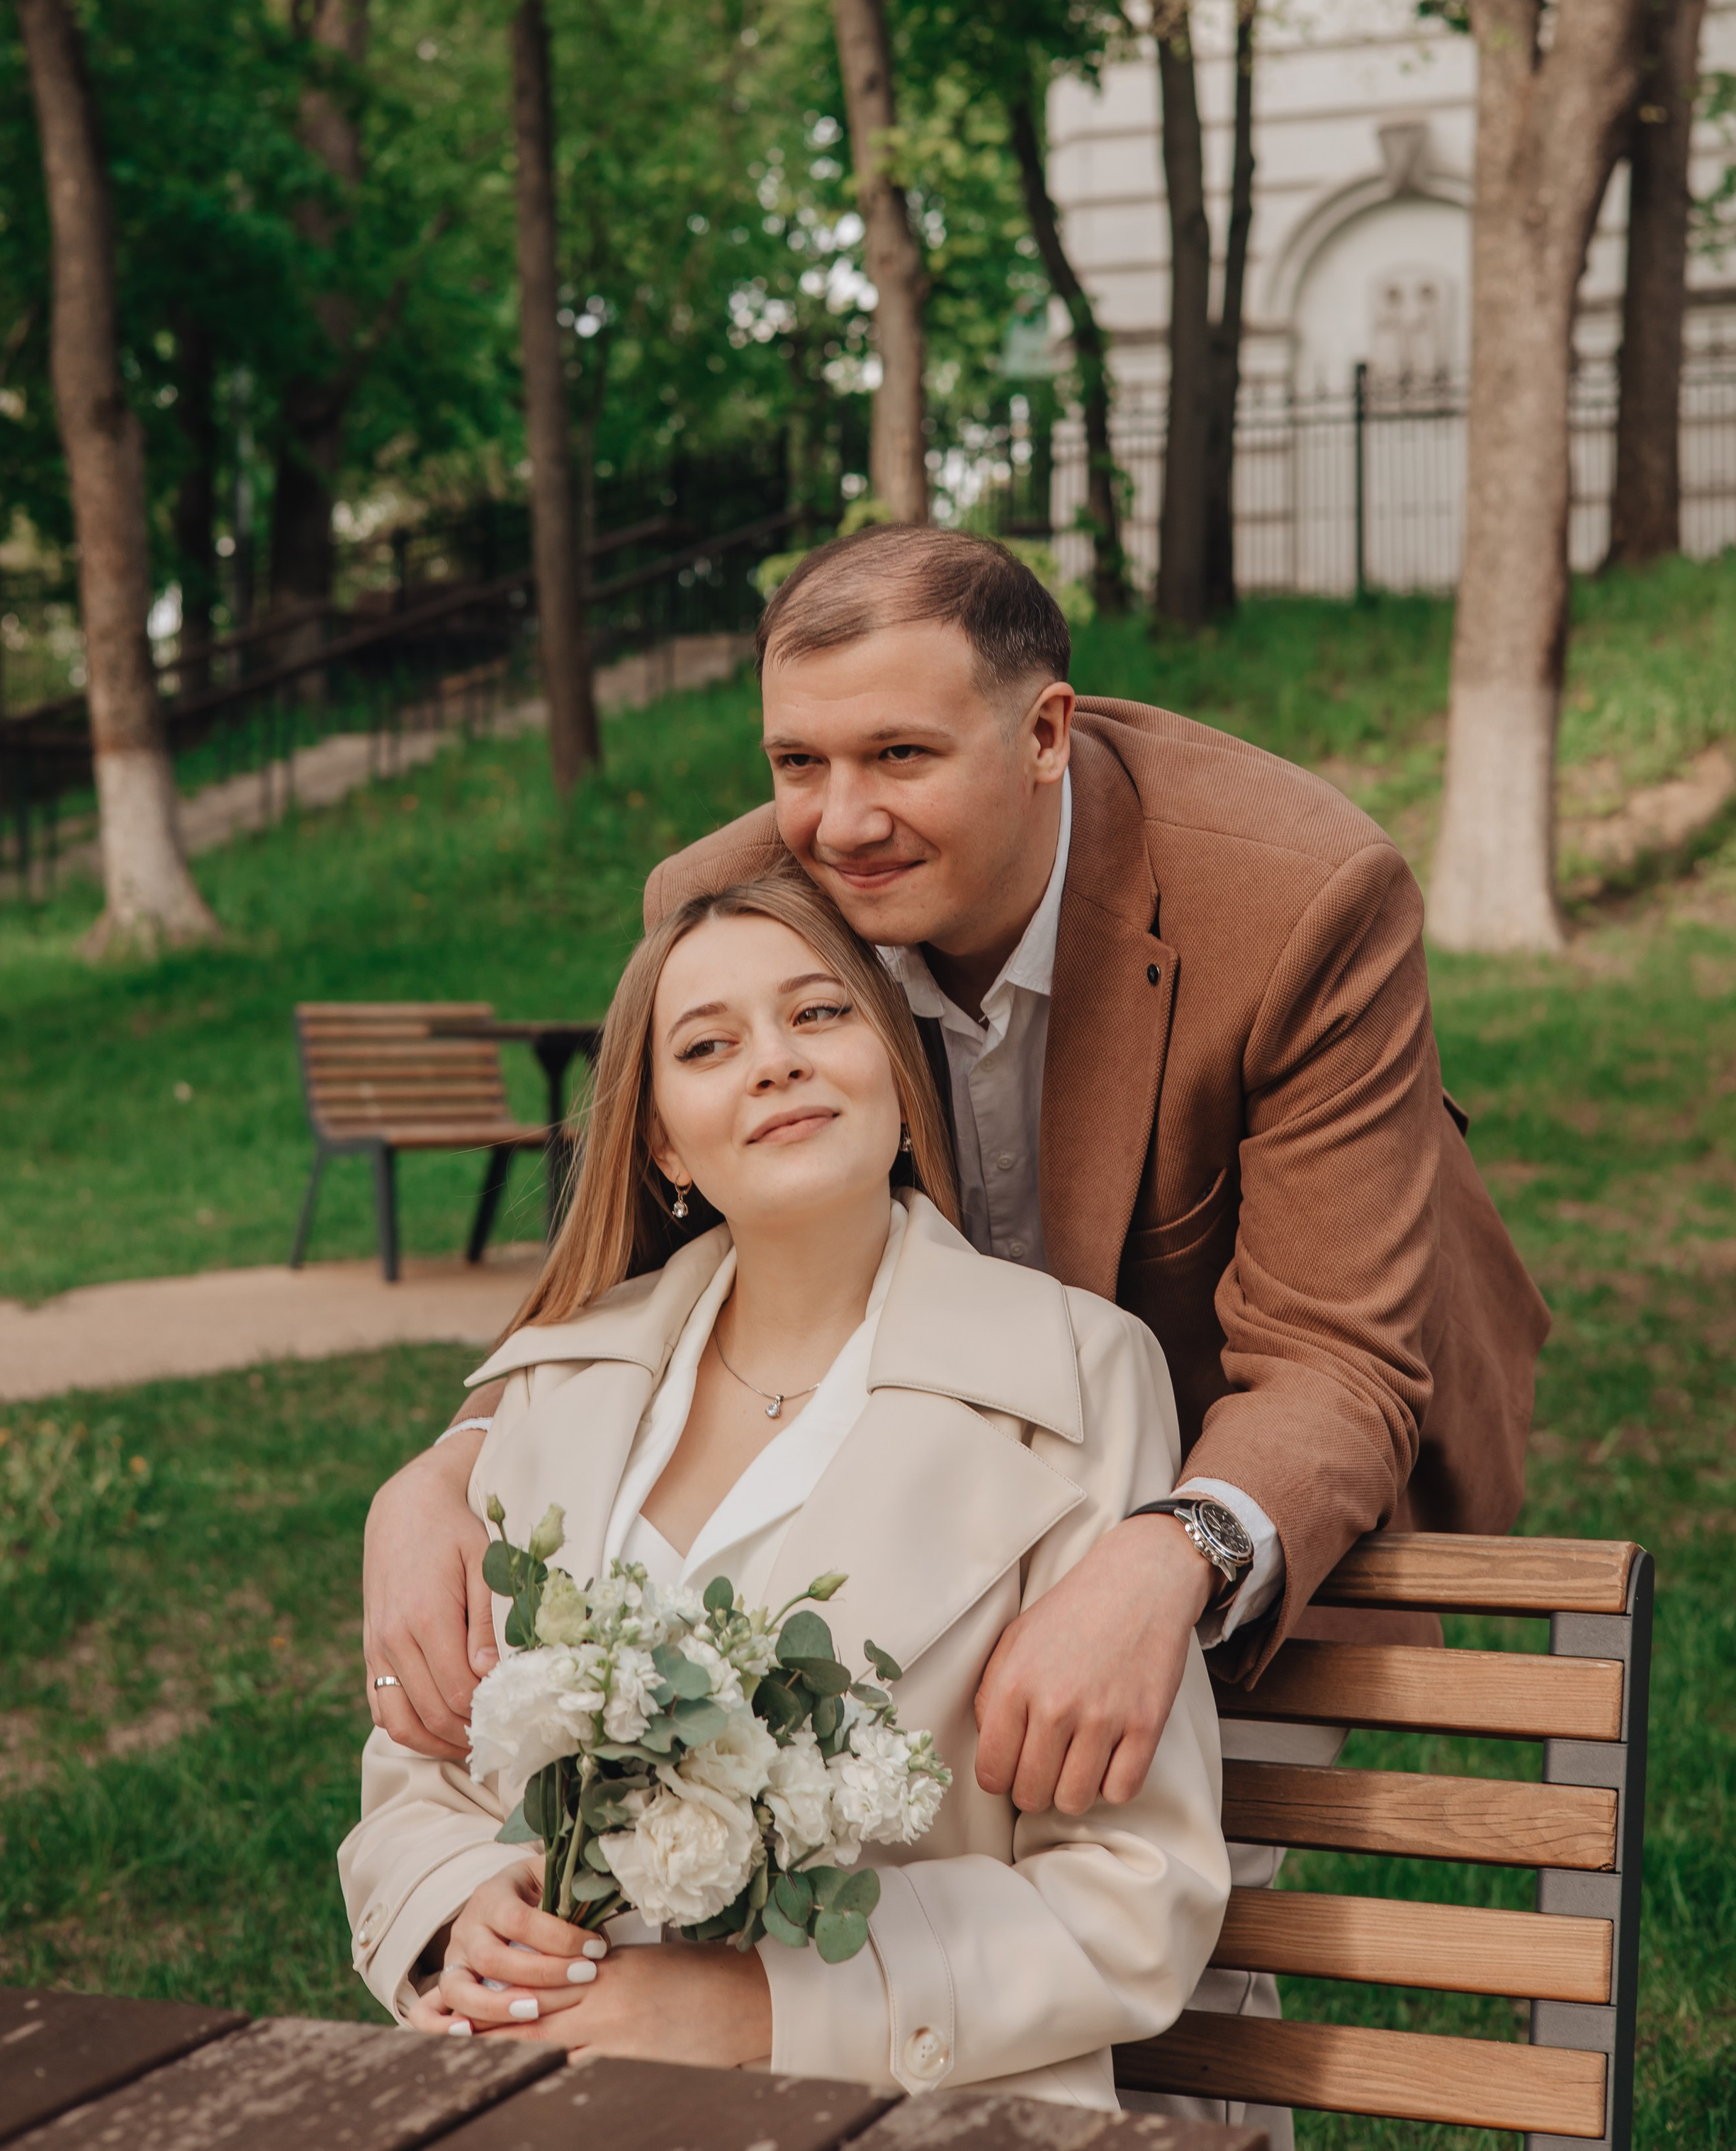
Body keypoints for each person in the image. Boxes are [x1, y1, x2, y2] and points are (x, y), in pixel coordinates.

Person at [360, 525, 1548, 2128]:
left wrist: (1164, 1546)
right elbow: (622, 1260)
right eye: (798, 758)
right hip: (875, 1400)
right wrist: (448, 1462)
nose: (840, 819)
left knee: (1151, 1880)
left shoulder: (1296, 898)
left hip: (1215, 1408)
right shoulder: (744, 902)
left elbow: (1339, 1357)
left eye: (901, 754)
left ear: (1043, 734)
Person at [340, 877, 1229, 2104]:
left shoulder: (1074, 1380)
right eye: (708, 1045)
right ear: (661, 1140)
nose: (773, 1063)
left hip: (906, 2105)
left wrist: (759, 2009)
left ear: (898, 1076)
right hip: (553, 2090)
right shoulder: (558, 1386)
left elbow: (1135, 1896)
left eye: (819, 1016)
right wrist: (457, 1906)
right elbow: (420, 1781)